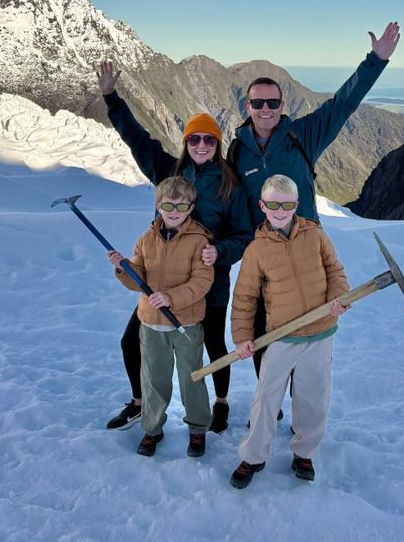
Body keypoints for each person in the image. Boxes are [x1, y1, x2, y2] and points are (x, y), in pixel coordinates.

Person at [226, 21, 399, 380]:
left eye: (272, 102)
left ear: (281, 104)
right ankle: (268, 403)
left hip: (306, 250)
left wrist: (376, 60)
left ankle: (301, 407)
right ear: (247, 105)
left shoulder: (303, 135)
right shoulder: (235, 152)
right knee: (261, 331)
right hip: (264, 255)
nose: (265, 109)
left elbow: (343, 103)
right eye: (258, 103)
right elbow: (228, 201)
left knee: (307, 334)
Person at [98, 62, 253, 435]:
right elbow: (137, 138)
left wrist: (222, 253)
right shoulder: (168, 170)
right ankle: (139, 402)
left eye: (209, 140)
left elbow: (244, 234)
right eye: (195, 139)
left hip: (207, 283)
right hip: (160, 283)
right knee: (130, 341)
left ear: (217, 145)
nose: (202, 145)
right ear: (186, 142)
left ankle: (219, 402)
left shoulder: (229, 186)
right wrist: (110, 97)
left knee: (214, 343)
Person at [227, 174, 350, 488]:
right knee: (266, 397)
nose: (279, 210)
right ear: (262, 206)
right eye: (272, 204)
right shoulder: (257, 250)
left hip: (321, 332)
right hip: (282, 335)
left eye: (286, 204)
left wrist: (339, 296)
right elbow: (244, 297)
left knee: (313, 397)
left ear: (296, 205)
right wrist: (242, 338)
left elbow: (335, 270)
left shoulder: (315, 235)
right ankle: (253, 456)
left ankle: (304, 452)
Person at [107, 176, 214, 458]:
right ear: (158, 206)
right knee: (154, 379)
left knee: (192, 377)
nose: (174, 211)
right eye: (168, 205)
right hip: (151, 323)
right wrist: (124, 269)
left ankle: (197, 429)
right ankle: (152, 429)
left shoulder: (199, 240)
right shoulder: (146, 239)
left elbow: (202, 282)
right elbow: (138, 279)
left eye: (181, 206)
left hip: (187, 324)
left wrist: (171, 298)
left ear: (191, 208)